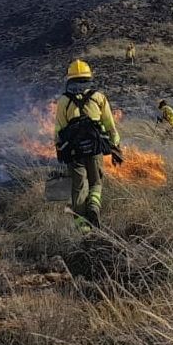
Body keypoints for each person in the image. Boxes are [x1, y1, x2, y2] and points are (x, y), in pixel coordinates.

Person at [55, 59, 123, 232]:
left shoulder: (63, 100)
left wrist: (59, 149)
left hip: (73, 151)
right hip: (94, 148)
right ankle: (93, 205)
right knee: (96, 182)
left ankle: (83, 230)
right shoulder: (98, 97)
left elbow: (59, 129)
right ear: (89, 78)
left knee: (78, 188)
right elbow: (110, 125)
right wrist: (115, 146)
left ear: (69, 80)